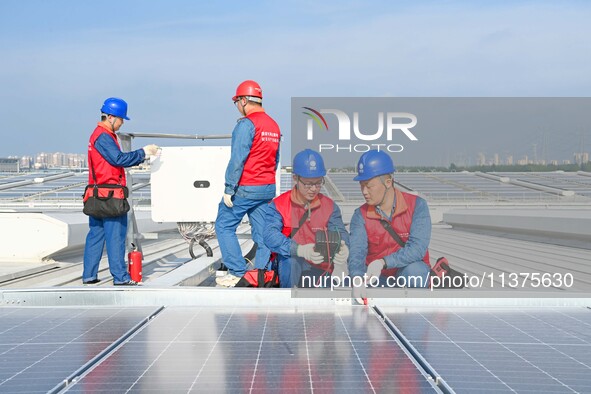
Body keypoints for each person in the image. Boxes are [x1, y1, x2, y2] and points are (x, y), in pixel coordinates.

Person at [83, 97, 159, 286]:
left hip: (95, 194)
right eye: (120, 119)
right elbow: (118, 159)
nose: (122, 122)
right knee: (115, 236)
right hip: (110, 195)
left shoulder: (97, 135)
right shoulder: (104, 136)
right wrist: (143, 153)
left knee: (96, 235)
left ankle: (89, 275)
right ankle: (120, 277)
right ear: (110, 117)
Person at [215, 80, 281, 287]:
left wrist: (229, 188)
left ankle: (236, 271)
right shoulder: (273, 125)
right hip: (267, 187)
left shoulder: (246, 124)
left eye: (237, 102)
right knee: (263, 233)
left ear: (243, 100)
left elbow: (237, 160)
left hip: (246, 187)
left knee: (224, 225)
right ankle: (262, 273)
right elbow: (275, 159)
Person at [263, 149, 349, 288]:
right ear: (295, 178)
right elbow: (269, 235)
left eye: (318, 182)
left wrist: (345, 246)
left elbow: (340, 232)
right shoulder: (279, 205)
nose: (314, 189)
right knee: (291, 261)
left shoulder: (330, 206)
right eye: (308, 184)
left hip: (320, 266)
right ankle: (288, 301)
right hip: (290, 265)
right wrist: (299, 250)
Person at [348, 150, 431, 291]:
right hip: (375, 277)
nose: (364, 192)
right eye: (361, 185)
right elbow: (357, 253)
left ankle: (412, 311)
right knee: (344, 286)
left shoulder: (417, 206)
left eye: (369, 186)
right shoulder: (360, 215)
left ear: (388, 182)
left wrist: (383, 262)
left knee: (416, 273)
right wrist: (357, 278)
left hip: (405, 273)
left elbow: (417, 249)